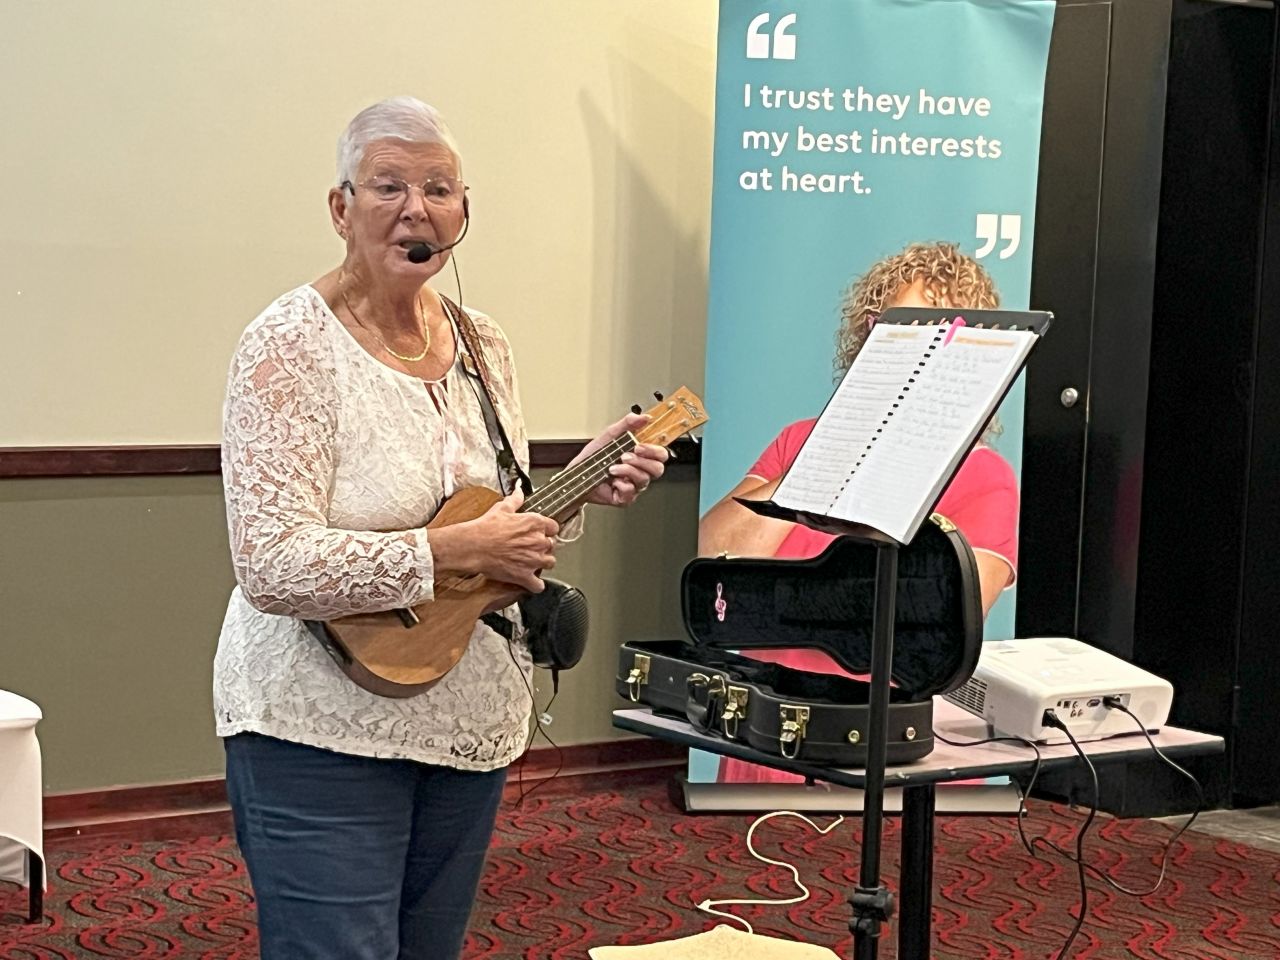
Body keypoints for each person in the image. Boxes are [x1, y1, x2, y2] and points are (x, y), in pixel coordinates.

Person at [213, 96, 668, 960]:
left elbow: (498, 524)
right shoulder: (288, 345)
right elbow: (270, 564)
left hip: (466, 710)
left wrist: (581, 490)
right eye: (388, 185)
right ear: (340, 207)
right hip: (317, 726)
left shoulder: (483, 342)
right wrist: (450, 550)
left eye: (439, 189)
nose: (416, 207)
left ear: (465, 213)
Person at [697, 242, 1016, 784]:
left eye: (931, 337)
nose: (905, 355)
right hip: (769, 730)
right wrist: (834, 451)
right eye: (887, 330)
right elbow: (717, 554)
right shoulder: (798, 442)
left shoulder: (984, 476)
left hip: (884, 746)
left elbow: (939, 621)